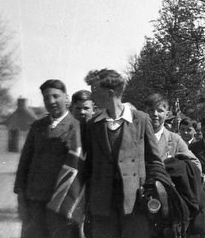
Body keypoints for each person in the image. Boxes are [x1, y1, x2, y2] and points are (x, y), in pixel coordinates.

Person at [82, 69, 166, 238]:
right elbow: (88, 166)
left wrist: (149, 189)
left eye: (95, 91)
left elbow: (155, 161)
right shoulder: (93, 125)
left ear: (110, 93)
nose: (92, 97)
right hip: (103, 204)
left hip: (135, 202)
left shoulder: (140, 120)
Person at [14, 79, 79, 238]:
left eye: (56, 96)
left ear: (66, 97)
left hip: (62, 201)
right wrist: (21, 194)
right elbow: (25, 162)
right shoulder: (37, 126)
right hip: (35, 198)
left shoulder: (77, 127)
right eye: (46, 98)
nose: (51, 101)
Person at [144, 93, 199, 165]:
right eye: (151, 110)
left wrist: (175, 170)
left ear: (167, 114)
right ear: (144, 113)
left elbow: (195, 164)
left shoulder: (175, 140)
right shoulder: (135, 137)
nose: (155, 114)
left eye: (160, 110)